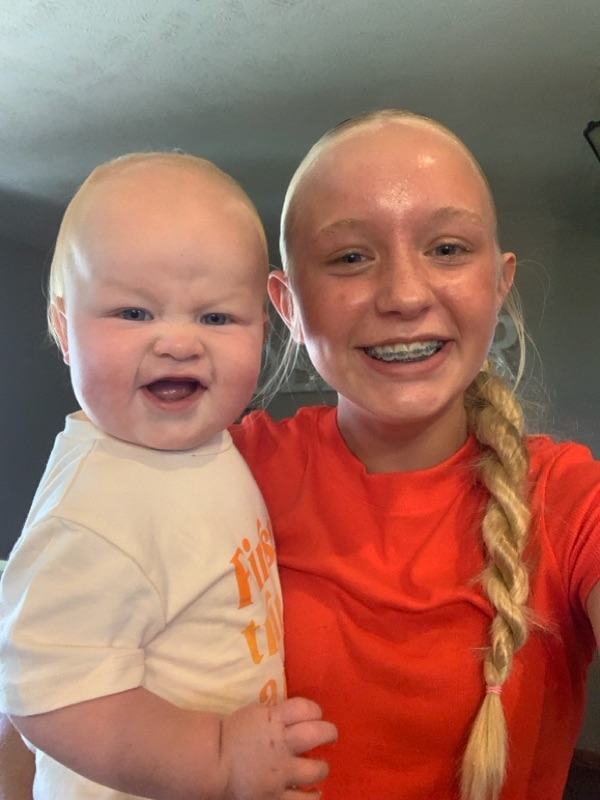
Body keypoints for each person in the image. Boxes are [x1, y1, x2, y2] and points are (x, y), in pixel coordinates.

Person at [1, 109, 599, 800]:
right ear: (286, 305)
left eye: (447, 248)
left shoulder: (567, 498)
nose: (405, 295)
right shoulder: (204, 461)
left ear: (499, 281)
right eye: (350, 257)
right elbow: (44, 685)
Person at [0, 152, 337, 800]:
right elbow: (44, 694)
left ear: (263, 326)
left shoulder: (205, 447)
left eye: (216, 317)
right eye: (133, 313)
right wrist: (219, 759)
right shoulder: (95, 510)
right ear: (64, 330)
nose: (179, 343)